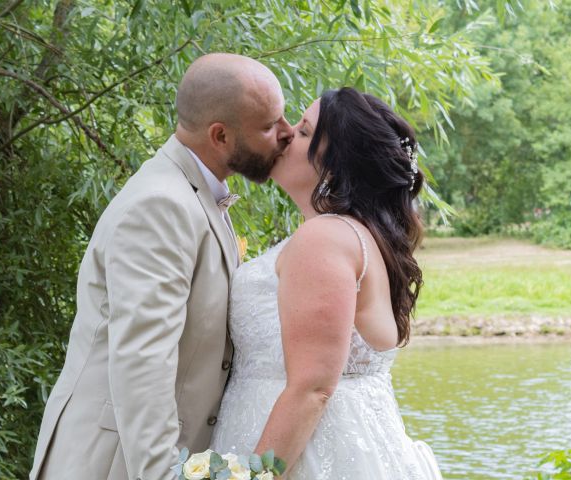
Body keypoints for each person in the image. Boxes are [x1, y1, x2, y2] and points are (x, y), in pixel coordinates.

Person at [29, 53, 293, 480]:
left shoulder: (195, 192)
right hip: (113, 462)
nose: (287, 133)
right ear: (221, 136)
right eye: (268, 126)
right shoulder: (161, 205)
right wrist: (163, 474)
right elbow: (142, 359)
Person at [210, 87, 443, 479]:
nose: (285, 135)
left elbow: (312, 389)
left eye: (303, 132)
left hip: (306, 456)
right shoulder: (354, 235)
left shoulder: (324, 238)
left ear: (335, 165)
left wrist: (252, 476)